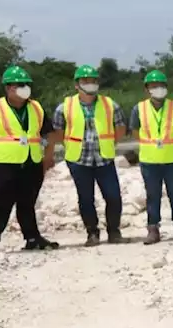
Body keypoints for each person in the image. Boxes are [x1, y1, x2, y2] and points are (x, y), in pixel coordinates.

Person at [0, 66, 59, 253]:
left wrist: (48, 156)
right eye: (20, 85)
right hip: (4, 164)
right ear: (8, 88)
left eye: (26, 85)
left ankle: (32, 238)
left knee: (27, 202)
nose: (24, 88)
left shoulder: (36, 108)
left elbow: (49, 134)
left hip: (31, 162)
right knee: (2, 203)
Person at [50, 64, 126, 246]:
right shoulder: (65, 107)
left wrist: (110, 142)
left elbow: (121, 128)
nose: (90, 84)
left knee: (113, 196)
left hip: (104, 158)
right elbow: (58, 131)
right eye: (85, 81)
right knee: (86, 198)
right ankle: (92, 232)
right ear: (77, 85)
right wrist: (69, 144)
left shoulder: (110, 105)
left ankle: (114, 231)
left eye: (93, 81)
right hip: (78, 159)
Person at [131, 70, 173, 244]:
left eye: (161, 85)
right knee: (152, 196)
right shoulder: (138, 109)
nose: (158, 89)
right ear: (147, 89)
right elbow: (135, 132)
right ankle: (153, 230)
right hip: (149, 161)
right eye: (154, 86)